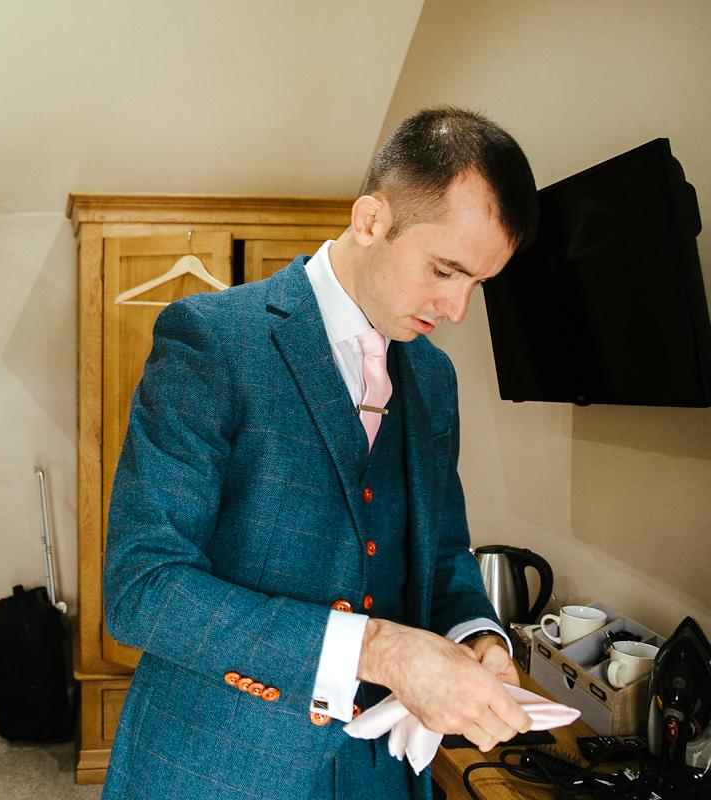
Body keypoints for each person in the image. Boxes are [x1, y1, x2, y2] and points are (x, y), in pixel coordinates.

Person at [101, 107, 539, 800]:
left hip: (386, 773)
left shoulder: (434, 380)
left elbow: (445, 552)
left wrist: (479, 636)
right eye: (444, 270)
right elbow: (141, 590)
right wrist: (379, 649)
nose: (456, 311)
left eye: (476, 285)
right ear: (370, 220)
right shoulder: (210, 341)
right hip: (219, 768)